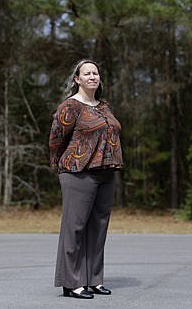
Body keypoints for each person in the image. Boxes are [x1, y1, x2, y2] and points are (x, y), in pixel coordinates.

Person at [49, 59, 123, 299]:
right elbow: (56, 140)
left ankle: (93, 279)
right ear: (77, 79)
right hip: (78, 172)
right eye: (87, 73)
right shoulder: (70, 106)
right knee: (75, 227)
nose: (92, 76)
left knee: (98, 227)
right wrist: (62, 167)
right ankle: (72, 282)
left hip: (105, 172)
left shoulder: (104, 107)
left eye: (95, 73)